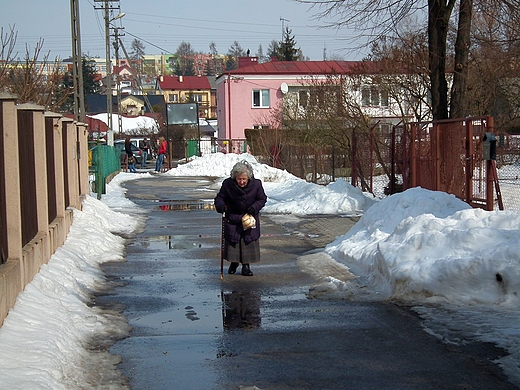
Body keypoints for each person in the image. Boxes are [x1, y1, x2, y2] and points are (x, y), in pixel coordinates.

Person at [214, 160, 267, 276]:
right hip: (233, 216)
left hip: (249, 217)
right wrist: (220, 206)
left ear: (249, 177)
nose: (241, 182)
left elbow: (262, 199)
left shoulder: (256, 184)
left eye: (244, 179)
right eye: (239, 179)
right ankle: (234, 262)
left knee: (247, 240)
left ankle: (246, 266)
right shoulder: (228, 184)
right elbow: (220, 197)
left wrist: (254, 208)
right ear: (234, 177)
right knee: (234, 241)